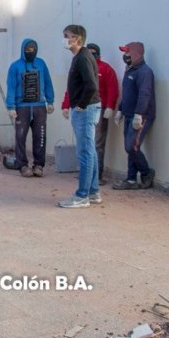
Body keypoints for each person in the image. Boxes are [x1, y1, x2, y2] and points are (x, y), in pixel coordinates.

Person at [61, 43, 119, 185]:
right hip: (81, 109)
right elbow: (72, 88)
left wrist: (110, 107)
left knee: (97, 144)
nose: (91, 55)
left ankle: (96, 177)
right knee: (85, 145)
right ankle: (87, 176)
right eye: (89, 52)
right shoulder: (81, 65)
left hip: (97, 109)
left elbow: (113, 89)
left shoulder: (105, 69)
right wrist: (66, 105)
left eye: (94, 53)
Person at [57, 25, 102, 209]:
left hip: (86, 109)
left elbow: (91, 85)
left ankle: (82, 195)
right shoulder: (81, 57)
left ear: (77, 39)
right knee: (90, 151)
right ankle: (93, 191)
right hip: (88, 108)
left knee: (84, 153)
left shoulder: (83, 57)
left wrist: (81, 106)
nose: (64, 39)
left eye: (67, 36)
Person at [5, 38, 55, 177]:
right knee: (20, 137)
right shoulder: (15, 66)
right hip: (22, 107)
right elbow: (11, 87)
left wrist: (50, 101)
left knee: (40, 136)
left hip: (39, 107)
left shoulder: (41, 64)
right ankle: (22, 165)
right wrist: (11, 107)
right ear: (23, 50)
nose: (30, 52)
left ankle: (39, 165)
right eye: (28, 50)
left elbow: (48, 82)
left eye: (33, 50)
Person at [113, 42, 157, 190]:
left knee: (131, 146)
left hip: (141, 116)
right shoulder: (129, 70)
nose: (125, 56)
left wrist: (139, 114)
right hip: (128, 114)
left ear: (136, 54)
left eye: (127, 53)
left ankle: (146, 172)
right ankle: (131, 179)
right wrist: (120, 110)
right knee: (129, 147)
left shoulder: (144, 72)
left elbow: (145, 94)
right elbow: (127, 94)